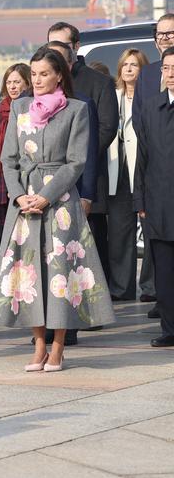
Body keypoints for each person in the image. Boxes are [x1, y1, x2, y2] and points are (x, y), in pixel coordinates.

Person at [0, 47, 114, 371]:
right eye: (34, 73)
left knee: (60, 273)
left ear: (60, 75)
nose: (38, 79)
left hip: (59, 204)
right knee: (29, 274)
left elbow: (76, 162)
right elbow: (8, 159)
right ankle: (38, 345)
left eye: (45, 73)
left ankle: (58, 346)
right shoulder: (19, 107)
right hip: (25, 205)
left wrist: (46, 195)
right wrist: (18, 196)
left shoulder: (76, 109)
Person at [47, 22, 119, 288]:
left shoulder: (97, 82)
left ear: (74, 48)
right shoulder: (40, 88)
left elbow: (107, 127)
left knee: (92, 244)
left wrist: (77, 159)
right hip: (50, 180)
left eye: (62, 47)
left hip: (87, 176)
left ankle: (94, 300)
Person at [131, 13, 174, 307]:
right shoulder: (148, 73)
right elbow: (139, 119)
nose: (164, 39)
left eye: (170, 34)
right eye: (160, 35)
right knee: (160, 256)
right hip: (157, 182)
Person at [107, 49, 148, 302]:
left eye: (134, 65)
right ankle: (122, 288)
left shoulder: (149, 96)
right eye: (125, 65)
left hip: (143, 169)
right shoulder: (114, 96)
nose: (129, 69)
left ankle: (151, 288)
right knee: (120, 234)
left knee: (150, 232)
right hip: (117, 169)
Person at [0, 64, 32, 230]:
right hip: (1, 181)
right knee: (5, 235)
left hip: (27, 181)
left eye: (17, 82)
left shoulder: (32, 108)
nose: (12, 86)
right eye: (8, 82)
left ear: (27, 83)